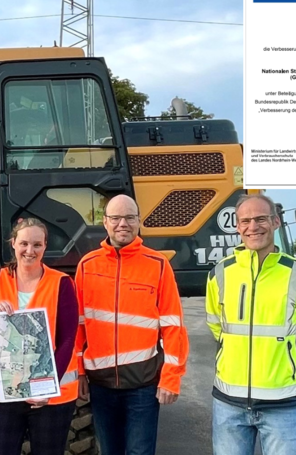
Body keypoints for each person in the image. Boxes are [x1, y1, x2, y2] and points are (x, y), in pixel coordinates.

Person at [206, 194, 296, 455]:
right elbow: (216, 325)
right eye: (246, 221)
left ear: (274, 222)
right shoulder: (219, 274)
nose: (253, 227)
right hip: (229, 403)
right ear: (237, 227)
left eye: (261, 219)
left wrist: (287, 363)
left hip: (283, 403)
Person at [75, 194, 189, 455]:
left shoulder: (158, 265)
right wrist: (79, 372)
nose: (122, 223)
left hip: (143, 385)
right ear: (105, 222)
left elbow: (173, 327)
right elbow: (79, 326)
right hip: (101, 384)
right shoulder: (87, 266)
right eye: (115, 218)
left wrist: (171, 379)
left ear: (139, 221)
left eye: (129, 217)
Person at [0, 218, 79, 455]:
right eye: (24, 243)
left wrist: (47, 388)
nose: (29, 251)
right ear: (13, 243)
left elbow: (67, 339)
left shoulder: (61, 283)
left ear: (45, 246)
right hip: (6, 392)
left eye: (37, 245)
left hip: (49, 397)